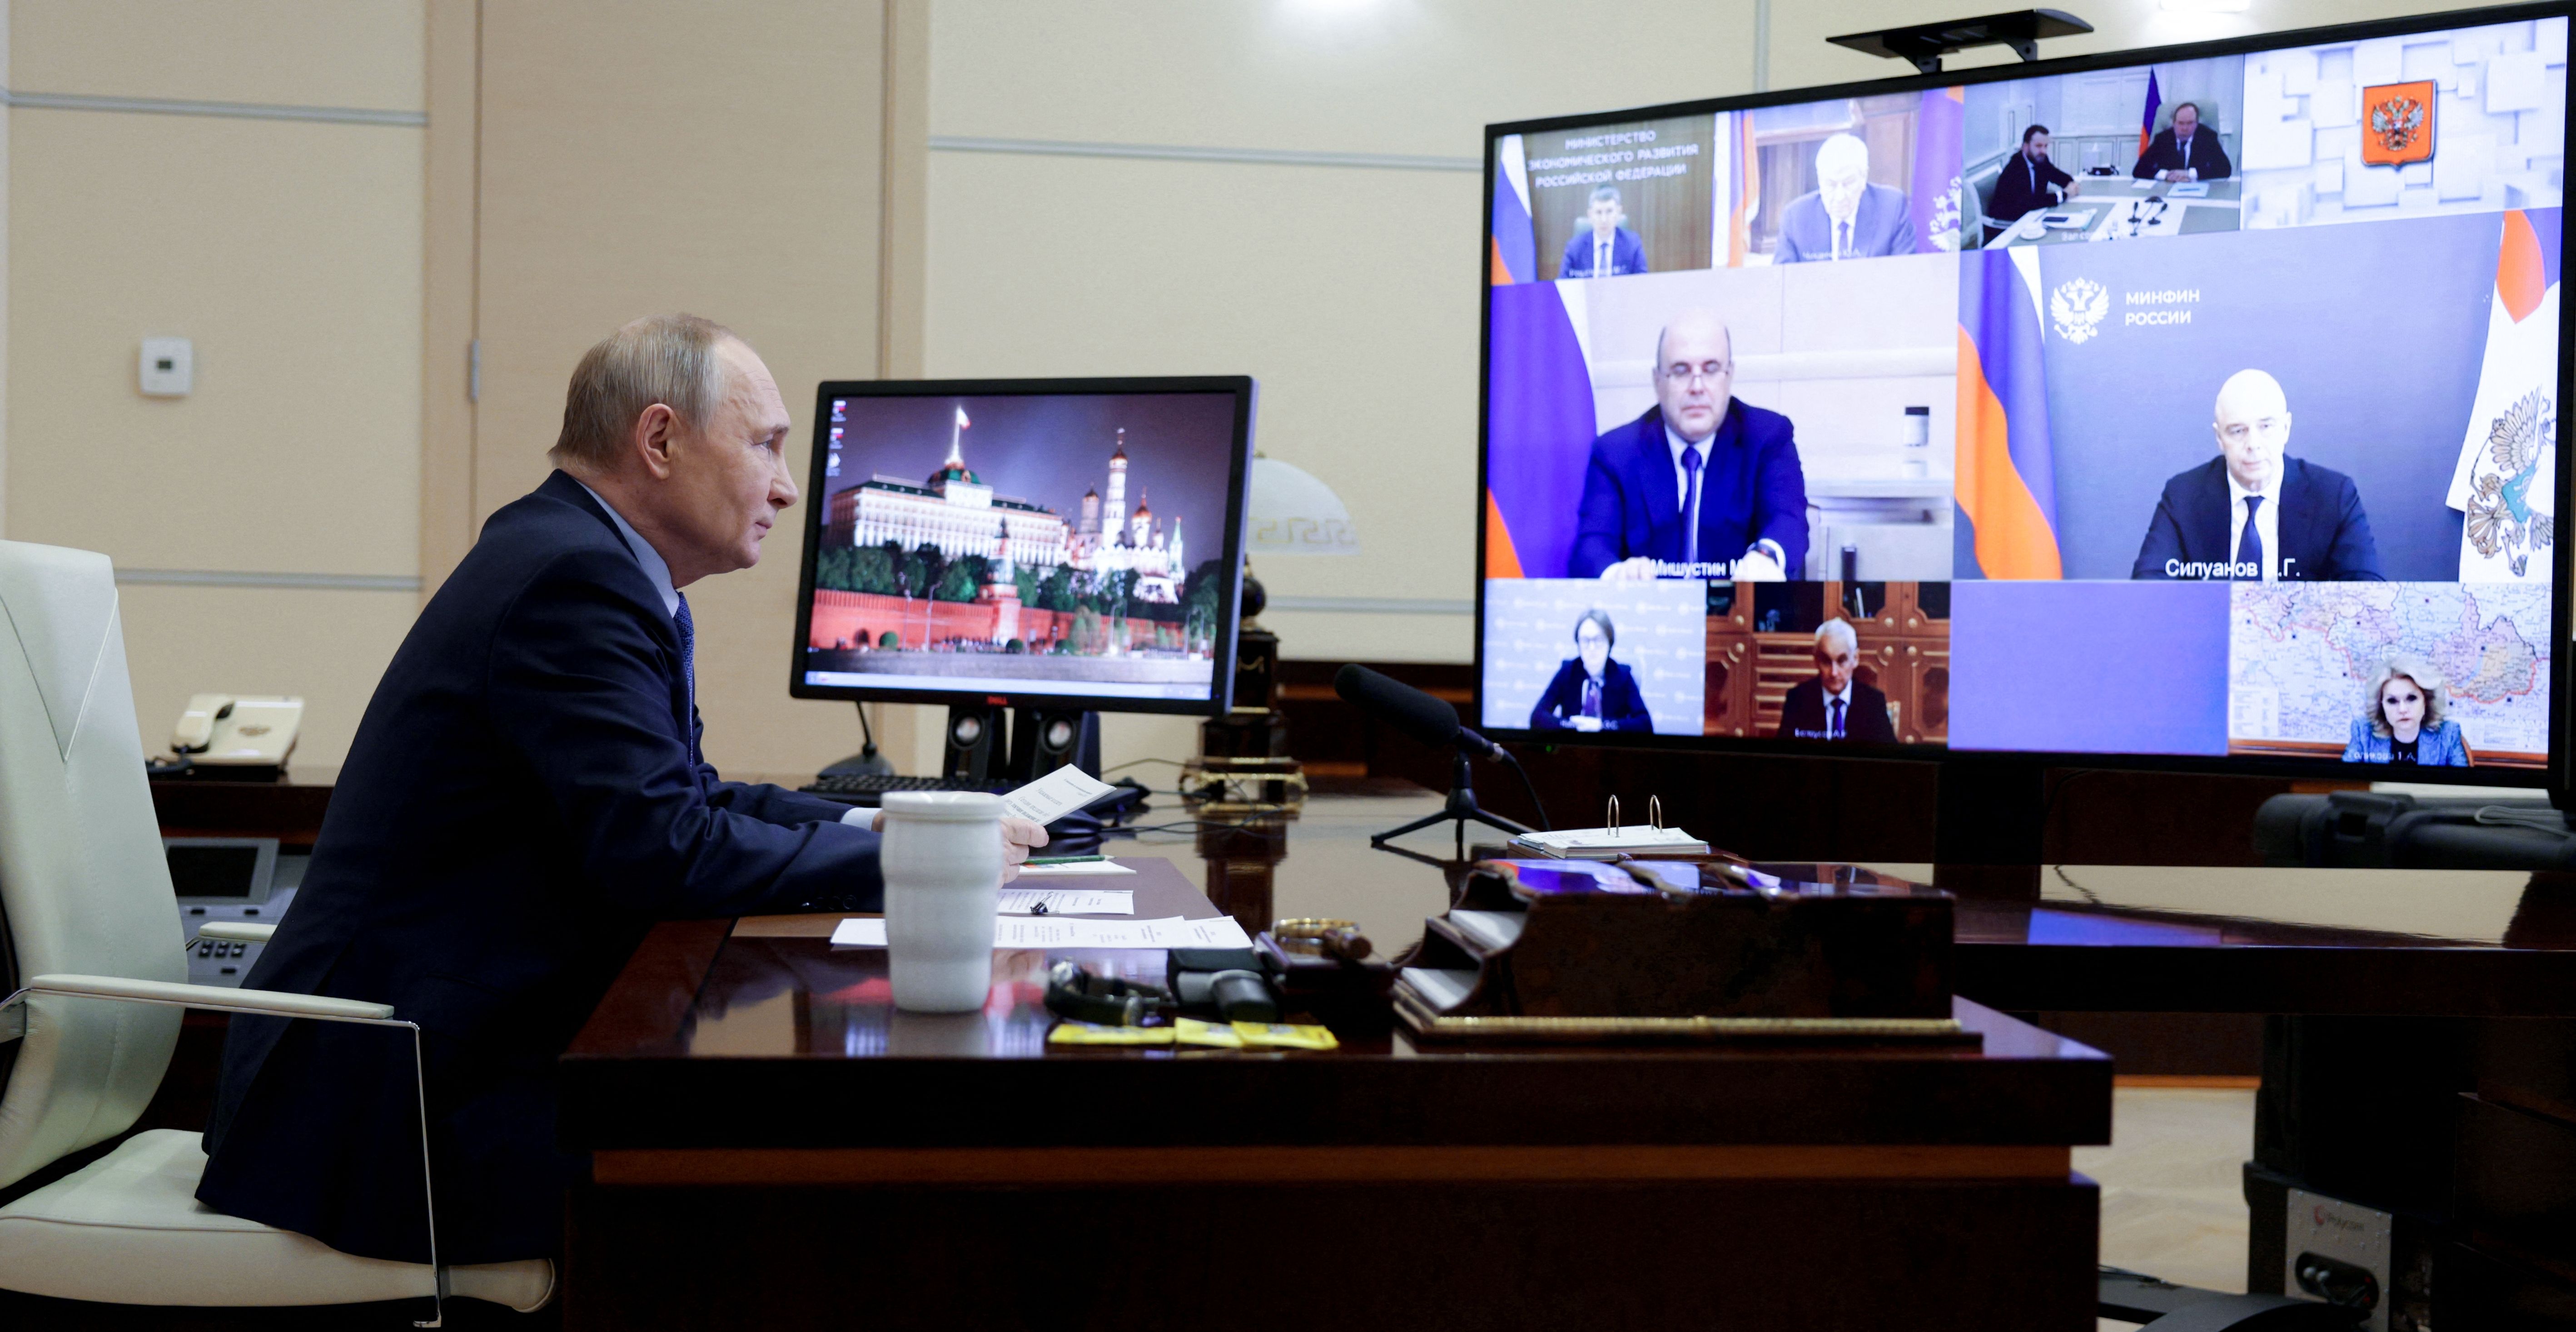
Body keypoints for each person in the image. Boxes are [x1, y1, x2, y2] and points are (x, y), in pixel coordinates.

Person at [196, 315, 1049, 1266]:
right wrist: (922, 859)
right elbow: (664, 848)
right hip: (389, 1108)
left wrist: (886, 818)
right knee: (789, 1186)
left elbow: (689, 798)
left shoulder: (582, 556)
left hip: (428, 1056)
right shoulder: (575, 576)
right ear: (659, 440)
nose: (788, 485)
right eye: (765, 443)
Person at [1567, 308, 1808, 581]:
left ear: (1729, 376)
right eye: (1681, 371)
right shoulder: (1616, 453)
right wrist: (1617, 574)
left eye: (1711, 369)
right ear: (1658, 381)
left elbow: (1788, 520)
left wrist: (1766, 555)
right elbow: (1592, 546)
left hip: (1736, 616)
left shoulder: (1768, 437)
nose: (1697, 386)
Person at [2131, 369, 2383, 582]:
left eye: (2266, 427)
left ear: (2286, 429)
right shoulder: (2183, 496)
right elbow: (2149, 590)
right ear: (2219, 438)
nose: (2253, 444)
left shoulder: (2334, 496)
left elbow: (2366, 595)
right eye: (2238, 431)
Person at [1774, 133, 1915, 263]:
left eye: (1848, 183)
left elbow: (1904, 275)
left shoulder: (1892, 208)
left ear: (1864, 177)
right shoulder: (1796, 217)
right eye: (1831, 185)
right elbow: (1782, 281)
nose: (1840, 197)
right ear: (1819, 181)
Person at [1529, 608, 1654, 732]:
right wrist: (1573, 725)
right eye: (1585, 641)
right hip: (1574, 746)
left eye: (1598, 640)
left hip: (1609, 747)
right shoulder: (1568, 672)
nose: (1592, 648)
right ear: (1578, 643)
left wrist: (1601, 725)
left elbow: (1645, 724)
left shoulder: (1623, 675)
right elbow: (1537, 717)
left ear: (1609, 643)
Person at [1775, 619, 1897, 743]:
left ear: (1855, 659)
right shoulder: (1797, 699)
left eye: (1842, 661)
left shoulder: (1873, 702)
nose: (1834, 672)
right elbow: (1785, 755)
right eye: (1826, 661)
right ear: (1816, 660)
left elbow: (1888, 757)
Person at [2343, 655, 2471, 766]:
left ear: (2426, 701)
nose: (2403, 710)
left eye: (2412, 698)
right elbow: (2345, 779)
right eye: (2392, 701)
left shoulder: (2448, 734)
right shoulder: (2363, 731)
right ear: (2381, 706)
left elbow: (2463, 784)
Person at [1984, 124, 2078, 245]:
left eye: (2046, 146)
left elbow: (2057, 175)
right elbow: (2029, 203)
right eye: (2039, 146)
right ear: (2025, 147)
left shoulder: (2040, 159)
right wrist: (2063, 195)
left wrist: (2071, 183)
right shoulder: (2015, 168)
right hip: (2009, 227)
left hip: (2031, 219)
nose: (2043, 151)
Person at [1561, 185, 1648, 278]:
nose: (1604, 219)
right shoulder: (1575, 247)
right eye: (1599, 212)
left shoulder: (1632, 244)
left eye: (1609, 211)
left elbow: (1642, 283)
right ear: (1590, 215)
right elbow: (1562, 285)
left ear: (1619, 212)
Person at [2132, 101, 2232, 182]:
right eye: (2181, 123)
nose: (2185, 128)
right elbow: (2139, 170)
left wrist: (2189, 174)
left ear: (2197, 123)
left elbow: (2225, 169)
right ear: (2174, 123)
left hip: (2198, 191)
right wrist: (2167, 175)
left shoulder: (2207, 137)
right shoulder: (2163, 139)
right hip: (2167, 190)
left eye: (2190, 123)